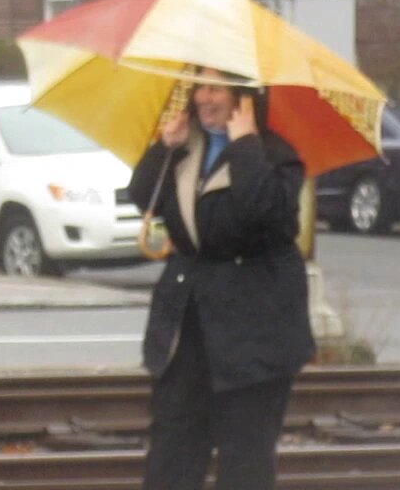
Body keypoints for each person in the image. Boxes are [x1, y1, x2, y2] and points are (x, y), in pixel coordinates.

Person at [128, 67, 315, 490]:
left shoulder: (275, 155)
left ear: (243, 96)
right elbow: (144, 196)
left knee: (245, 458)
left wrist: (245, 144)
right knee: (172, 449)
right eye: (198, 87)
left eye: (215, 88)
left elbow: (265, 212)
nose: (202, 98)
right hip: (188, 323)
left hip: (254, 332)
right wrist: (164, 148)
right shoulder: (186, 147)